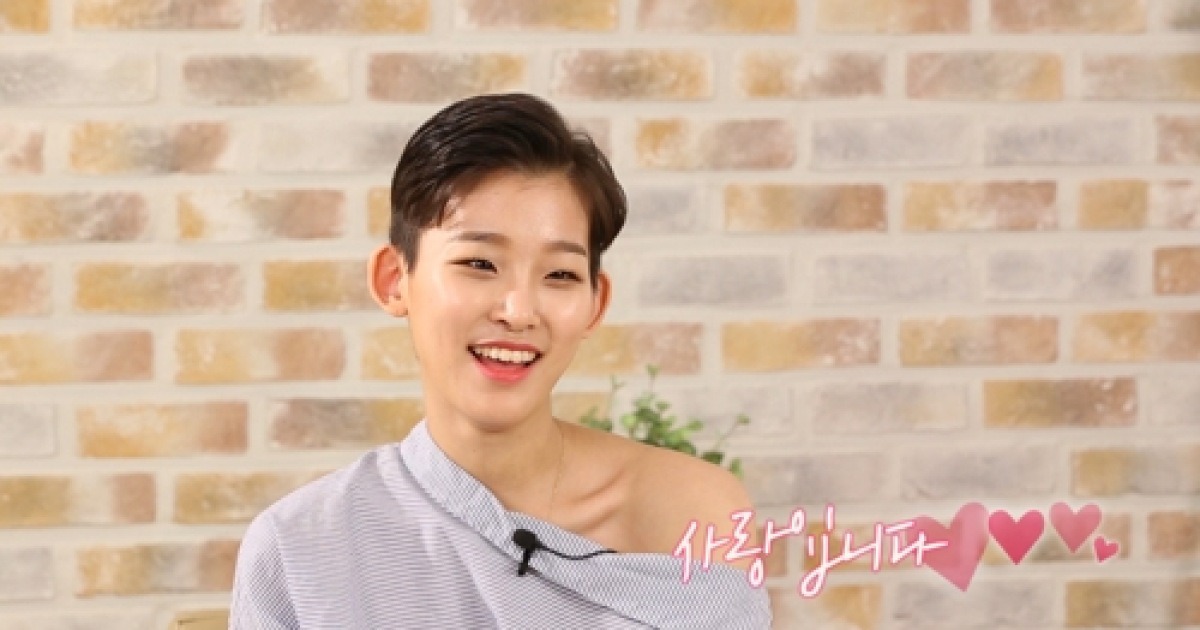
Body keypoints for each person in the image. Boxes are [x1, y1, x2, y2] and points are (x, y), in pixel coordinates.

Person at [229, 93, 772, 629]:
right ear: (394, 280)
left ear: (595, 303)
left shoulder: (695, 510)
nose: (518, 312)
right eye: (479, 263)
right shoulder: (298, 548)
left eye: (559, 274)